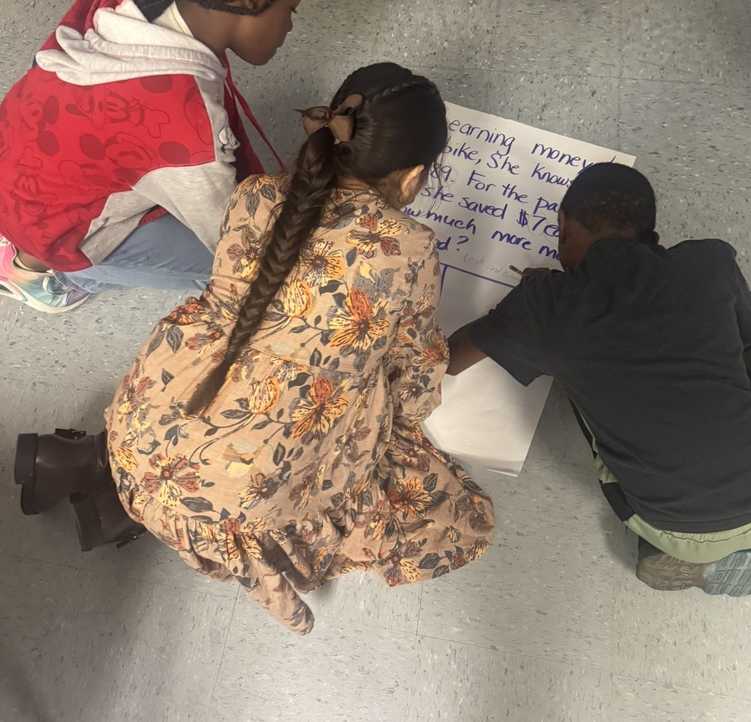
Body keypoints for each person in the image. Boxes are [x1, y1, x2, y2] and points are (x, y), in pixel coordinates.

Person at [15, 63, 495, 634]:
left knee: (230, 423)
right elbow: (414, 372)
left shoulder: (256, 193)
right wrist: (398, 422)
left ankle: (92, 477)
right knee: (461, 522)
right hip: (232, 502)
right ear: (413, 177)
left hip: (139, 423)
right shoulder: (408, 246)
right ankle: (119, 501)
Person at [448, 162, 751, 597]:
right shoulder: (712, 259)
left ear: (561, 229)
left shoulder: (544, 309)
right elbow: (748, 335)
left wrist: (529, 306)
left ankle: (670, 552)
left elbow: (448, 359)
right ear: (653, 238)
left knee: (584, 389)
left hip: (670, 524)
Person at [0, 0, 304, 313]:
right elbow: (232, 240)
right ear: (254, 0)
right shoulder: (187, 135)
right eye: (290, 10)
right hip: (59, 231)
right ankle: (44, 271)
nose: (289, 27)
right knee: (253, 274)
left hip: (18, 161)